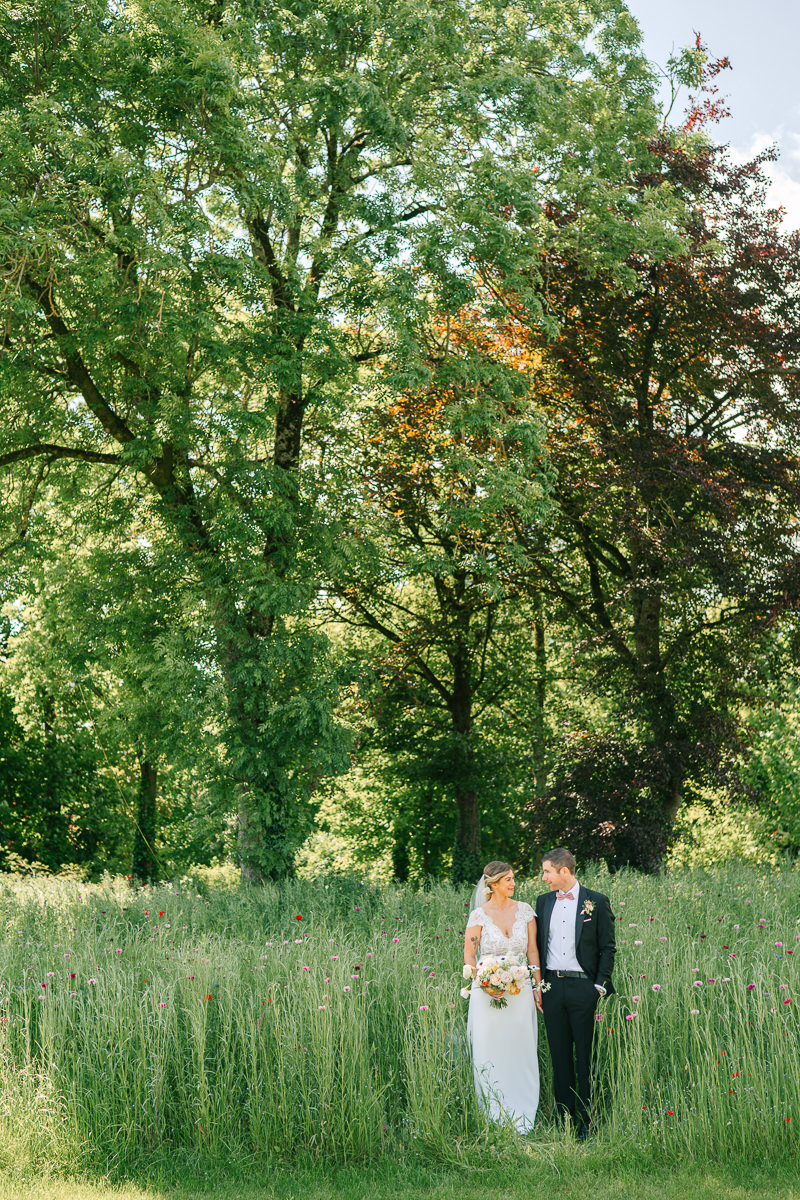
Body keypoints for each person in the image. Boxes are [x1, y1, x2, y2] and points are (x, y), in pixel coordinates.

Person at [535, 847, 615, 1140]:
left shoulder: (597, 901)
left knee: (585, 1056)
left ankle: (586, 1122)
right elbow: (537, 947)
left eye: (547, 872)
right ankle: (563, 1120)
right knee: (559, 1056)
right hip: (553, 988)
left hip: (584, 988)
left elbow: (608, 948)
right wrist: (539, 986)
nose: (544, 878)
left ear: (563, 871)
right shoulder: (543, 902)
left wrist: (598, 986)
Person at [463, 860, 542, 1132]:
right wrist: (483, 982)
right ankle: (492, 1112)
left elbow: (532, 951)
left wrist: (537, 987)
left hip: (519, 991)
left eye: (513, 878)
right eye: (508, 879)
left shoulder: (526, 912)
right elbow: (469, 956)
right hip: (488, 994)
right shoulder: (479, 916)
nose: (513, 883)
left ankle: (523, 1109)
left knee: (521, 1050)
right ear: (493, 884)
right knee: (491, 1051)